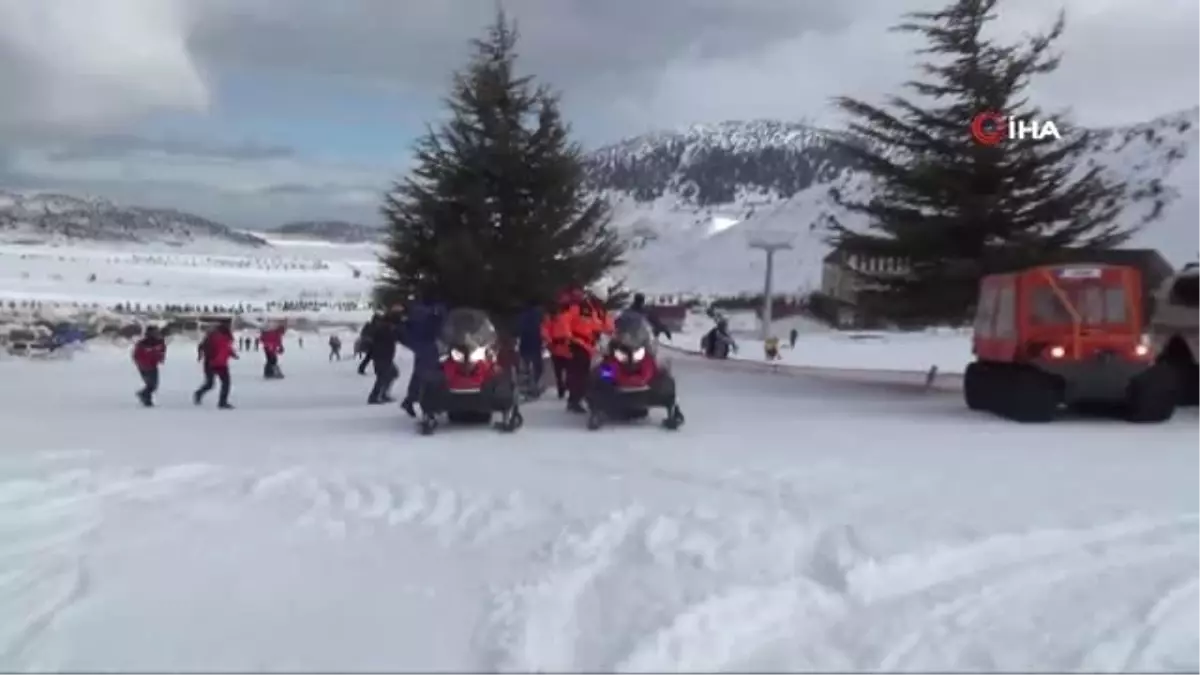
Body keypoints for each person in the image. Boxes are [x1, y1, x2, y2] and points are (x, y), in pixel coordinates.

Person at [398, 300, 444, 418]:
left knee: (421, 373)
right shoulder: (426, 312)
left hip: (424, 345)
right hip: (426, 344)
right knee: (427, 374)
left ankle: (412, 400)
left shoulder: (420, 310)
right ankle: (428, 407)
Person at [563, 289, 605, 413]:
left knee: (585, 373)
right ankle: (575, 400)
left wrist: (606, 332)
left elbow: (596, 325)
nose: (599, 303)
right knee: (578, 374)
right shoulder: (577, 308)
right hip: (578, 344)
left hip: (589, 346)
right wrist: (569, 338)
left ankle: (578, 398)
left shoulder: (592, 311)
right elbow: (566, 322)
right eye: (598, 301)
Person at [194, 321, 237, 409]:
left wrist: (233, 354)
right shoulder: (217, 337)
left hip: (213, 362)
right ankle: (222, 402)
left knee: (211, 383)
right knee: (225, 383)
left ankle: (199, 393)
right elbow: (224, 348)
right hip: (217, 363)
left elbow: (226, 348)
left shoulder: (218, 337)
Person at [543, 292, 574, 399]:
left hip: (568, 348)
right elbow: (545, 330)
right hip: (556, 347)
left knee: (570, 371)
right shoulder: (551, 316)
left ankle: (567, 386)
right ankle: (561, 389)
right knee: (558, 372)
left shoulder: (571, 314)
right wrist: (550, 341)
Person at [366, 310, 402, 405]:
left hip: (385, 357)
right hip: (381, 357)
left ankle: (383, 394)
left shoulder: (386, 329)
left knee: (392, 374)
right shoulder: (384, 330)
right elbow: (377, 342)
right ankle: (374, 396)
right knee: (383, 376)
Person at [131, 325, 166, 407]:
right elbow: (136, 355)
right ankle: (146, 399)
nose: (157, 333)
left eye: (157, 332)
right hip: (144, 366)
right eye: (155, 332)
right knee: (151, 384)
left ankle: (143, 395)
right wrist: (142, 363)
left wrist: (161, 357)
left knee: (153, 385)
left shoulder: (159, 341)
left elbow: (162, 350)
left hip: (153, 365)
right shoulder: (143, 343)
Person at [517, 303, 545, 395]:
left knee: (526, 369)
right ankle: (534, 386)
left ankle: (528, 387)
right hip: (535, 345)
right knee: (537, 368)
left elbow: (519, 330)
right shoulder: (538, 316)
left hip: (525, 346)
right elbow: (542, 330)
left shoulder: (522, 316)